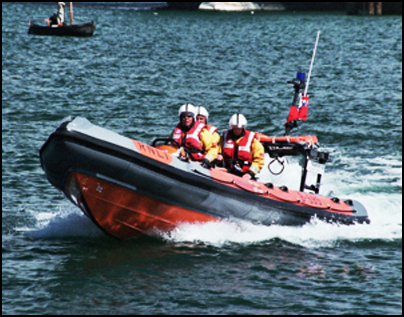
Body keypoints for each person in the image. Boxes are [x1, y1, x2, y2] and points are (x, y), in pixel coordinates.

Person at [218, 113, 265, 180]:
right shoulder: (225, 138)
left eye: (238, 129)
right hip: (227, 171)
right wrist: (219, 156)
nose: (236, 131)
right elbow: (217, 149)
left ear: (243, 128)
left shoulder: (253, 141)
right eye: (234, 129)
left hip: (245, 175)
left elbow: (259, 160)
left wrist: (250, 174)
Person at [170, 103, 218, 168]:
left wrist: (207, 159)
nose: (186, 118)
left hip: (196, 162)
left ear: (193, 117)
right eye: (183, 116)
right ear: (180, 118)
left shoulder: (201, 131)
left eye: (189, 116)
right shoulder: (176, 130)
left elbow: (213, 148)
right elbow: (169, 143)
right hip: (179, 158)